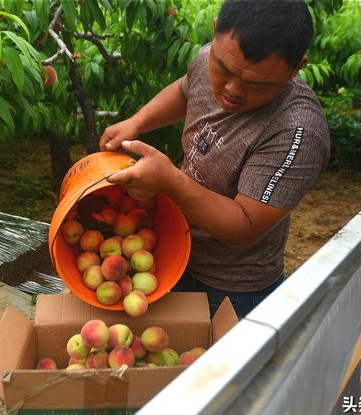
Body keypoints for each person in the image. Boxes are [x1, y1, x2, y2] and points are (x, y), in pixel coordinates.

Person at [99, 0, 330, 319]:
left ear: (296, 68)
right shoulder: (212, 56)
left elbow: (244, 228)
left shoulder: (296, 131)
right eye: (223, 69)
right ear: (216, 29)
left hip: (230, 289)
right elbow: (185, 89)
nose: (232, 90)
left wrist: (171, 181)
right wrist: (136, 122)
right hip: (171, 252)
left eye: (258, 85)